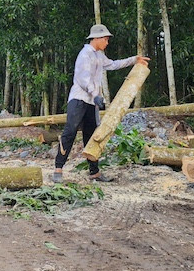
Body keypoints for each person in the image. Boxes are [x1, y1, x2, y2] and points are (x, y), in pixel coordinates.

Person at [53, 24, 149, 183]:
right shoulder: (85, 54)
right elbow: (83, 79)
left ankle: (94, 172)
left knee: (91, 136)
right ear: (96, 39)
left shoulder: (99, 55)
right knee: (70, 131)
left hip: (91, 102)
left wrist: (134, 60)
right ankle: (58, 168)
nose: (107, 42)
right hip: (79, 99)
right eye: (105, 39)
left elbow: (113, 64)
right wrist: (96, 94)